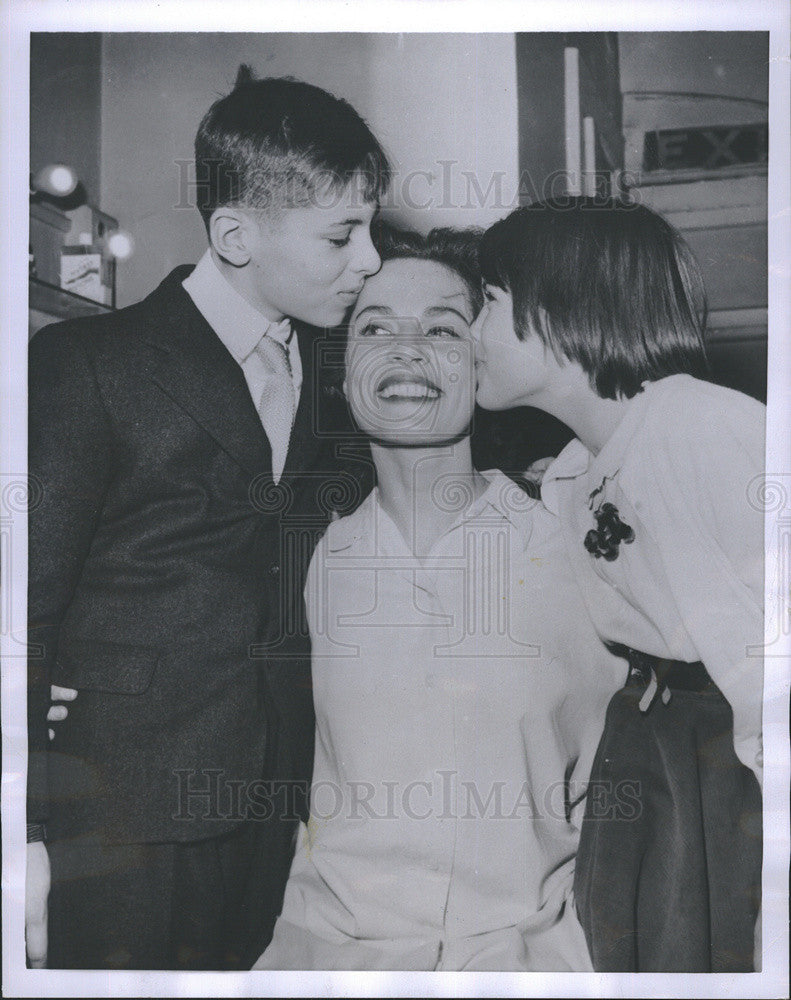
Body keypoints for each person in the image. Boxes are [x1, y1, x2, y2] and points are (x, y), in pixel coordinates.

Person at [26, 66, 389, 969]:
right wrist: (24, 822)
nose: (371, 259)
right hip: (118, 811)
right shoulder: (88, 364)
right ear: (234, 234)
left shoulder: (338, 371)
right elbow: (17, 608)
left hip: (280, 804)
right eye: (343, 234)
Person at [253, 223, 628, 971]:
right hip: (323, 963)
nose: (407, 350)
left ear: (485, 358)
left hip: (535, 963)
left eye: (443, 328)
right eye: (374, 327)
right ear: (338, 367)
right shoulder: (300, 559)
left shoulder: (578, 537)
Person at [473, 196, 764, 971]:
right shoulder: (573, 472)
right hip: (648, 751)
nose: (470, 334)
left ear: (563, 305)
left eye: (488, 304)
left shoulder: (704, 425)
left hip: (730, 763)